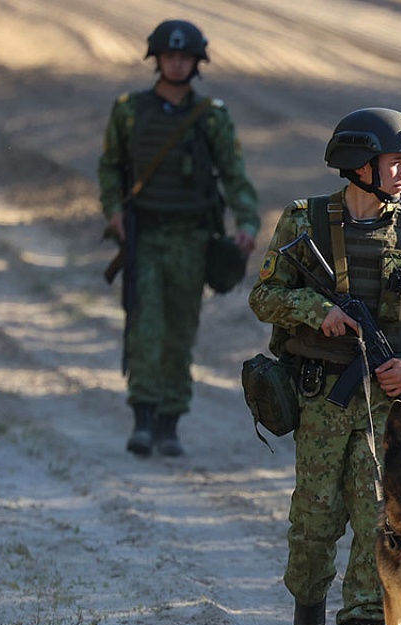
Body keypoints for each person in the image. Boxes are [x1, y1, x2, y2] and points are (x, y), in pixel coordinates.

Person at [248, 108, 401, 625]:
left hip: (386, 408)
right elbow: (265, 295)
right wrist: (320, 312)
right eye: (397, 162)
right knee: (315, 518)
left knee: (380, 520)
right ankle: (308, 605)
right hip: (320, 399)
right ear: (360, 166)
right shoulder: (304, 221)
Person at [98, 19, 260, 458]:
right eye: (169, 56)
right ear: (156, 59)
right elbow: (111, 166)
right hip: (144, 238)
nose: (175, 62)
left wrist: (247, 222)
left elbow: (234, 175)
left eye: (183, 56)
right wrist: (114, 211)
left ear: (196, 63)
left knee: (180, 331)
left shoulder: (212, 118)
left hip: (192, 240)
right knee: (145, 328)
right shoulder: (130, 111)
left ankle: (170, 423)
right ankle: (143, 420)